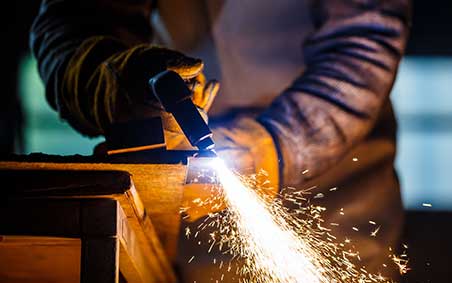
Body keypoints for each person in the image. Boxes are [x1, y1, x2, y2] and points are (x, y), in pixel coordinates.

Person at [30, 0, 411, 281]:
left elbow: (366, 37)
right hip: (186, 207)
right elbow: (68, 27)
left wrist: (277, 145)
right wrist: (110, 82)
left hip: (339, 189)